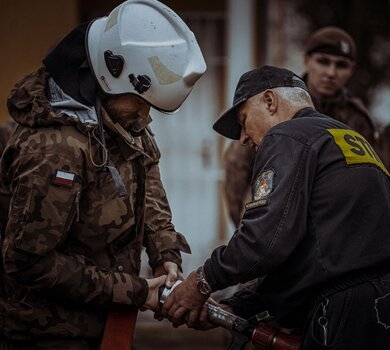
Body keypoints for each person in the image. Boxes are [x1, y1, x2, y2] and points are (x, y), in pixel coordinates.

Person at [0, 0, 206, 348]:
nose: (146, 116)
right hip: (49, 335)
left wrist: (165, 256)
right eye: (141, 103)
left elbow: (148, 187)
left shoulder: (122, 120)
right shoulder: (55, 148)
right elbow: (28, 262)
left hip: (106, 326)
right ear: (107, 78)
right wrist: (136, 292)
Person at [163, 65, 390, 349]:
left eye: (243, 120)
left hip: (342, 313)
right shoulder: (349, 137)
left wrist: (202, 280)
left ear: (270, 101)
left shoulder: (286, 135)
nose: (243, 138)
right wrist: (239, 306)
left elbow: (264, 240)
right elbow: (311, 253)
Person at [224, 26, 377, 228]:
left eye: (341, 65)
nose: (331, 73)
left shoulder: (358, 120)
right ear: (307, 60)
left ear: (351, 69)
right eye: (323, 61)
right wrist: (250, 230)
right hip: (273, 217)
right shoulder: (277, 105)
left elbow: (364, 183)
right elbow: (237, 172)